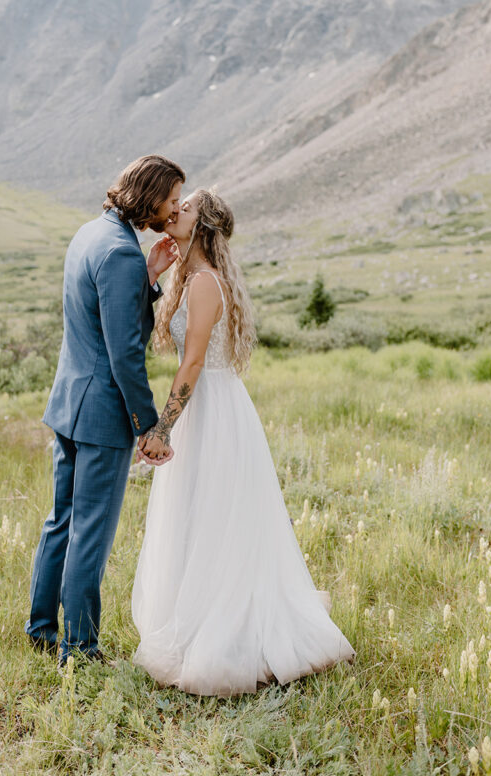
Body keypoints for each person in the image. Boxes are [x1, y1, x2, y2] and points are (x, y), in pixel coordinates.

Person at [132, 188, 355, 695]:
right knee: (204, 515)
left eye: (183, 208)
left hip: (212, 410)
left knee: (215, 516)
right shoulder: (189, 277)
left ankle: (225, 634)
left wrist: (162, 427)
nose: (173, 211)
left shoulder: (205, 283)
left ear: (203, 225)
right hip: (210, 406)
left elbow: (191, 364)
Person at [25, 154, 183, 666]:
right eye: (172, 199)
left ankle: (43, 628)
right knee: (90, 531)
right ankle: (81, 648)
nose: (175, 209)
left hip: (69, 402)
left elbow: (101, 315)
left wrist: (150, 276)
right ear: (151, 196)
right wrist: (148, 422)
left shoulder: (92, 234)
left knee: (61, 521)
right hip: (100, 414)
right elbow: (124, 351)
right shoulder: (120, 252)